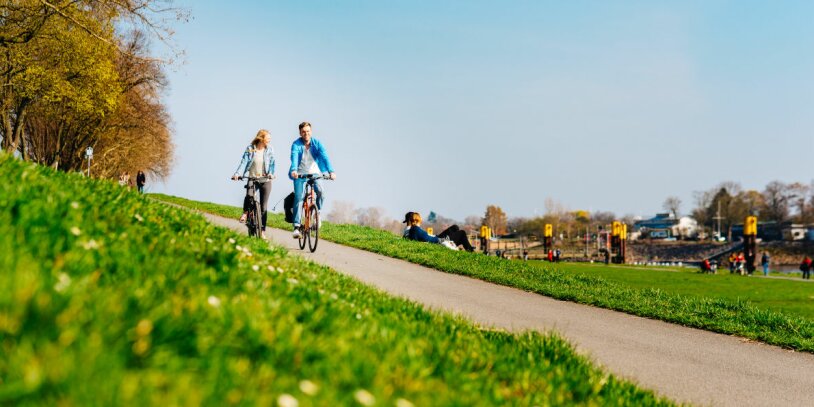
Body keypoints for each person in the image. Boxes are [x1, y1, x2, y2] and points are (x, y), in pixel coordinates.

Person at [289, 122, 336, 239]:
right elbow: (294, 157)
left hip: (315, 172)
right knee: (299, 197)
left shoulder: (317, 143)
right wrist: (294, 170)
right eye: (304, 132)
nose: (306, 133)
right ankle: (296, 226)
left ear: (311, 131)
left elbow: (325, 156)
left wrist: (331, 171)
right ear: (300, 133)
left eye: (308, 131)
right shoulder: (296, 144)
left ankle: (317, 214)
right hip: (300, 173)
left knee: (321, 191)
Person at [232, 129, 276, 239]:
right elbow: (243, 162)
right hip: (252, 177)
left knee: (263, 207)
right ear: (261, 138)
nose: (269, 140)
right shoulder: (250, 149)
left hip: (265, 180)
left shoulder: (270, 149)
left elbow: (272, 164)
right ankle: (246, 213)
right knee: (249, 195)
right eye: (268, 138)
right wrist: (237, 174)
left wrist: (271, 173)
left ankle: (262, 231)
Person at [403, 212, 474, 251]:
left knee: (455, 228)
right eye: (420, 218)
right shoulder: (415, 229)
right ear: (417, 220)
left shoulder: (415, 229)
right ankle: (470, 250)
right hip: (439, 241)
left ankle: (465, 246)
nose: (421, 219)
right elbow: (427, 240)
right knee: (462, 233)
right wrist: (444, 240)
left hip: (437, 238)